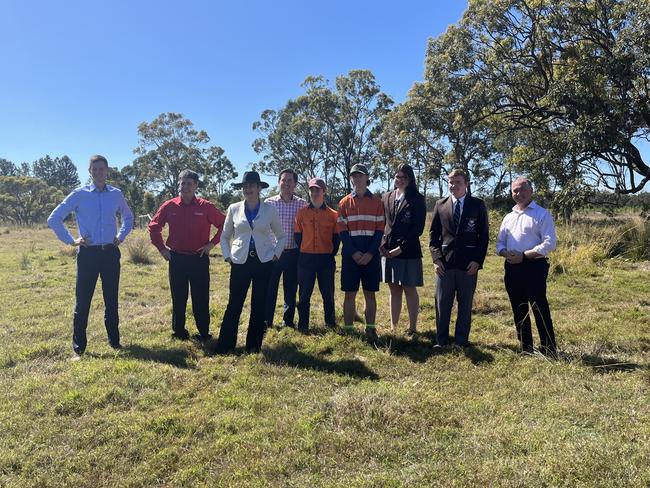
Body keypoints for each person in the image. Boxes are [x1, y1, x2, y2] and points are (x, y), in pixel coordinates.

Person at [47, 154, 134, 356]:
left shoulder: (116, 194)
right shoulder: (79, 194)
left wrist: (120, 236)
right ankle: (79, 348)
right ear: (89, 172)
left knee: (111, 298)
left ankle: (114, 341)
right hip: (88, 254)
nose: (98, 172)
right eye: (94, 169)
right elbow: (54, 218)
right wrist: (71, 240)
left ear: (107, 170)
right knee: (83, 300)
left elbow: (128, 217)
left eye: (101, 169)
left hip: (111, 253)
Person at [147, 169, 225, 342]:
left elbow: (224, 224)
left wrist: (212, 244)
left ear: (196, 186)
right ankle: (179, 331)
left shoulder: (206, 207)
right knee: (178, 296)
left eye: (190, 183)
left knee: (201, 297)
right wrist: (162, 249)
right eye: (183, 183)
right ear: (179, 184)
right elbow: (153, 226)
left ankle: (203, 333)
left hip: (199, 258)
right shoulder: (169, 206)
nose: (186, 187)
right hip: (176, 259)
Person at [213, 171, 286, 354]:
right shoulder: (233, 208)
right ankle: (225, 345)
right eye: (245, 186)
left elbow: (282, 236)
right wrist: (227, 255)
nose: (248, 189)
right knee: (234, 303)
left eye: (252, 186)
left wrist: (275, 254)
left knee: (259, 304)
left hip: (263, 262)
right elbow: (225, 236)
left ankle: (253, 346)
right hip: (240, 262)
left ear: (259, 188)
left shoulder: (269, 209)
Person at [496, 177, 558, 356]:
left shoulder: (541, 214)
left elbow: (550, 244)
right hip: (512, 268)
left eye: (523, 189)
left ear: (531, 191)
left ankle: (548, 349)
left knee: (539, 308)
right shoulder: (508, 217)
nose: (519, 193)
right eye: (515, 190)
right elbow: (499, 244)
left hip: (534, 266)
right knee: (518, 308)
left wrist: (524, 256)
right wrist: (506, 254)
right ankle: (526, 348)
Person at [429, 168, 489, 347]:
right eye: (450, 182)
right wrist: (436, 260)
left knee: (465, 305)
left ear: (467, 184)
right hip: (445, 264)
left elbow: (483, 236)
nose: (453, 185)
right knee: (442, 303)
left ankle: (461, 341)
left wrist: (477, 261)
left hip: (468, 264)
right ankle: (441, 340)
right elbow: (433, 237)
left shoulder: (477, 205)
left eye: (458, 182)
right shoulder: (440, 205)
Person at [337, 163, 385, 343]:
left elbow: (380, 230)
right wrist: (354, 253)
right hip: (351, 256)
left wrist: (371, 253)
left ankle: (370, 328)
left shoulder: (377, 203)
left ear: (367, 178)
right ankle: (349, 329)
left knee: (369, 293)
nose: (357, 179)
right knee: (349, 293)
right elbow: (342, 231)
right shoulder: (344, 202)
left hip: (371, 255)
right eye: (354, 176)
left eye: (360, 175)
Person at [380, 164, 426, 337]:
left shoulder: (417, 199)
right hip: (388, 250)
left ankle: (413, 327)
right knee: (393, 289)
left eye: (404, 177)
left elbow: (418, 228)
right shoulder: (386, 197)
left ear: (410, 179)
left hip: (408, 251)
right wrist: (381, 243)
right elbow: (383, 223)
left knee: (409, 288)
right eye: (397, 177)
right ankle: (394, 327)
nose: (399, 180)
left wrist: (402, 247)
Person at [294, 178, 339, 333]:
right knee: (304, 295)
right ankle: (303, 324)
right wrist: (306, 249)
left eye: (318, 190)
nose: (315, 193)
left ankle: (330, 323)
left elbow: (336, 239)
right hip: (305, 258)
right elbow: (298, 236)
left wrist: (328, 253)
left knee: (328, 294)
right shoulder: (301, 213)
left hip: (325, 259)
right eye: (312, 190)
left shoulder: (333, 215)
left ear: (324, 191)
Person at [264, 169, 308, 329]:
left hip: (293, 252)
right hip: (273, 253)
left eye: (290, 181)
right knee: (270, 288)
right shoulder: (269, 203)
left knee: (290, 289)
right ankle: (266, 321)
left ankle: (287, 321)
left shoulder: (302, 204)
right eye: (284, 180)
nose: (286, 183)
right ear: (279, 182)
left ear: (295, 184)